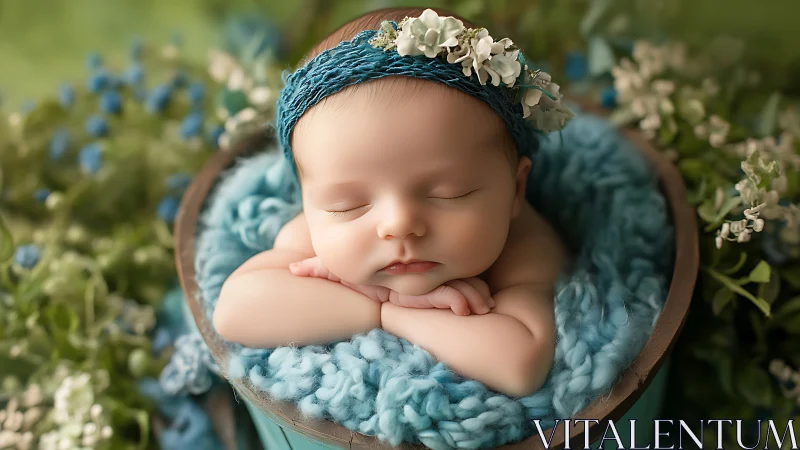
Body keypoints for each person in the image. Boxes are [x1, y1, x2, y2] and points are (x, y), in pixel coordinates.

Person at [213, 7, 572, 398]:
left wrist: (393, 310)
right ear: (308, 202)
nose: (398, 224)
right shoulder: (314, 233)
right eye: (348, 204)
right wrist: (383, 305)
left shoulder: (524, 245)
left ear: (515, 189)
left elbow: (519, 363)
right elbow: (235, 312)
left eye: (448, 193)